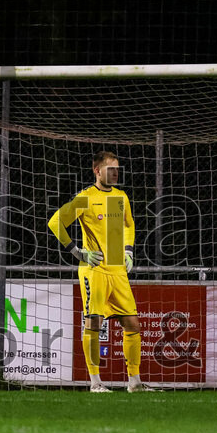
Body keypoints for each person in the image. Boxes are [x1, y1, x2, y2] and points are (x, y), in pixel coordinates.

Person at [48, 151, 154, 393]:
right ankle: (95, 382)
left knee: (133, 324)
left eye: (117, 168)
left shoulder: (120, 197)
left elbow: (129, 225)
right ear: (97, 171)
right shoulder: (86, 197)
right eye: (110, 168)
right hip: (93, 270)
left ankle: (135, 382)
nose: (116, 173)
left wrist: (128, 251)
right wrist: (78, 252)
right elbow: (55, 222)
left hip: (118, 270)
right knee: (93, 323)